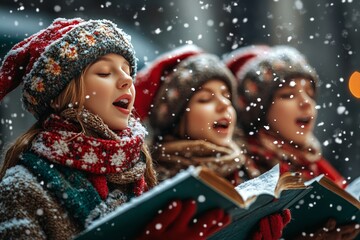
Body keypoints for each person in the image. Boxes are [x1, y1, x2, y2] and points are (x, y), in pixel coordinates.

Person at [0, 18, 229, 240]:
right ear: (59, 96)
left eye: (128, 71)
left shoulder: (140, 170)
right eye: (104, 73)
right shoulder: (21, 189)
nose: (127, 81)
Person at [134, 44, 292, 240]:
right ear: (177, 117)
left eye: (227, 96)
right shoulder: (151, 178)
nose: (224, 104)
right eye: (205, 99)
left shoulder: (250, 171)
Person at [224, 45, 360, 239]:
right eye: (288, 95)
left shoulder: (318, 167)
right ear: (260, 111)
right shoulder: (240, 170)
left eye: (310, 94)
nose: (306, 102)